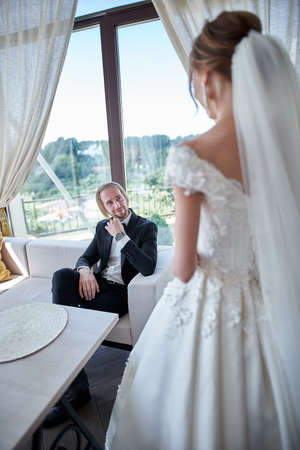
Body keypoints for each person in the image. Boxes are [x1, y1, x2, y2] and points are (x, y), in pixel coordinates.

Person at [105, 11, 300, 450]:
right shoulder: (287, 151)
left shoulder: (192, 155)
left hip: (213, 303)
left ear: (208, 75)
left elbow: (187, 267)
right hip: (277, 299)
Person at [43, 182, 158, 428]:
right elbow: (86, 256)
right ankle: (76, 385)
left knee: (70, 319)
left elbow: (147, 267)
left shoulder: (146, 227)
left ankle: (74, 388)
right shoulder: (101, 227)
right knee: (62, 276)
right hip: (97, 283)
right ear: (103, 207)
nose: (117, 205)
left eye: (119, 198)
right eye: (110, 202)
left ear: (125, 197)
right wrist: (84, 270)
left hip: (119, 294)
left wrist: (121, 236)